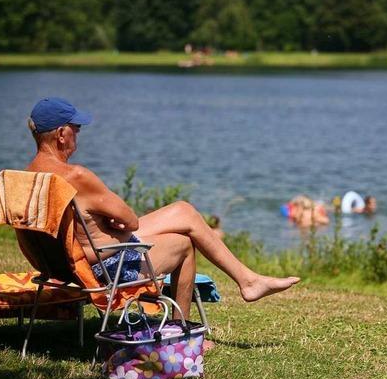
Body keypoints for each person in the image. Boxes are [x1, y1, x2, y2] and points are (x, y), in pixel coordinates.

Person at [24, 97, 299, 321]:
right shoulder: (76, 176)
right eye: (76, 128)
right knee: (183, 244)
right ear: (61, 134)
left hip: (57, 265)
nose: (79, 134)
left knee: (184, 211)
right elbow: (130, 220)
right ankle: (182, 329)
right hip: (101, 268)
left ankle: (248, 280)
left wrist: (105, 224)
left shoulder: (26, 177)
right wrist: (114, 223)